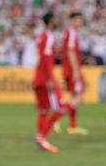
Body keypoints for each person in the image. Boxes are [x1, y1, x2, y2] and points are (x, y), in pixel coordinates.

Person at [32, 12, 70, 154]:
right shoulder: (48, 36)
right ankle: (42, 137)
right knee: (61, 107)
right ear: (51, 20)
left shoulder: (41, 36)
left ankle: (40, 138)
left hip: (38, 76)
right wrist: (49, 79)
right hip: (45, 78)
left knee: (44, 110)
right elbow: (46, 58)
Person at [61, 12, 88, 136]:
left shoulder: (69, 32)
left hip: (68, 68)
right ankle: (57, 115)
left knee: (74, 96)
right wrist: (76, 71)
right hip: (72, 70)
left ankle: (72, 125)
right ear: (72, 21)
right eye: (78, 20)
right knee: (80, 96)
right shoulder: (71, 32)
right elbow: (71, 52)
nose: (80, 22)